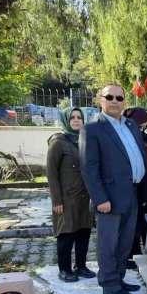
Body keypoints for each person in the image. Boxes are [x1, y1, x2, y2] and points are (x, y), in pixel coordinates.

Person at [80, 85, 147, 294]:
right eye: (109, 97)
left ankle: (118, 278)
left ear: (124, 101)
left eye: (119, 97)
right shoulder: (92, 129)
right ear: (100, 100)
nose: (115, 101)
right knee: (108, 244)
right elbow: (89, 167)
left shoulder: (130, 125)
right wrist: (100, 198)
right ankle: (109, 284)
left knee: (125, 242)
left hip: (132, 193)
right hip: (109, 197)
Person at [47, 108, 95, 283]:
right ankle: (64, 269)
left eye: (79, 117)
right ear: (66, 120)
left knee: (84, 232)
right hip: (66, 198)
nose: (76, 120)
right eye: (72, 117)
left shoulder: (86, 140)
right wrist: (56, 200)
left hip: (85, 197)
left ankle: (80, 266)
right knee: (66, 234)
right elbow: (51, 173)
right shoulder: (58, 142)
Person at [123, 107, 147, 269]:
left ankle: (136, 254)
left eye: (144, 126)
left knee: (139, 224)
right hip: (129, 188)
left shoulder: (144, 140)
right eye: (139, 125)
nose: (141, 129)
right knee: (130, 225)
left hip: (144, 187)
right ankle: (128, 256)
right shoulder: (125, 139)